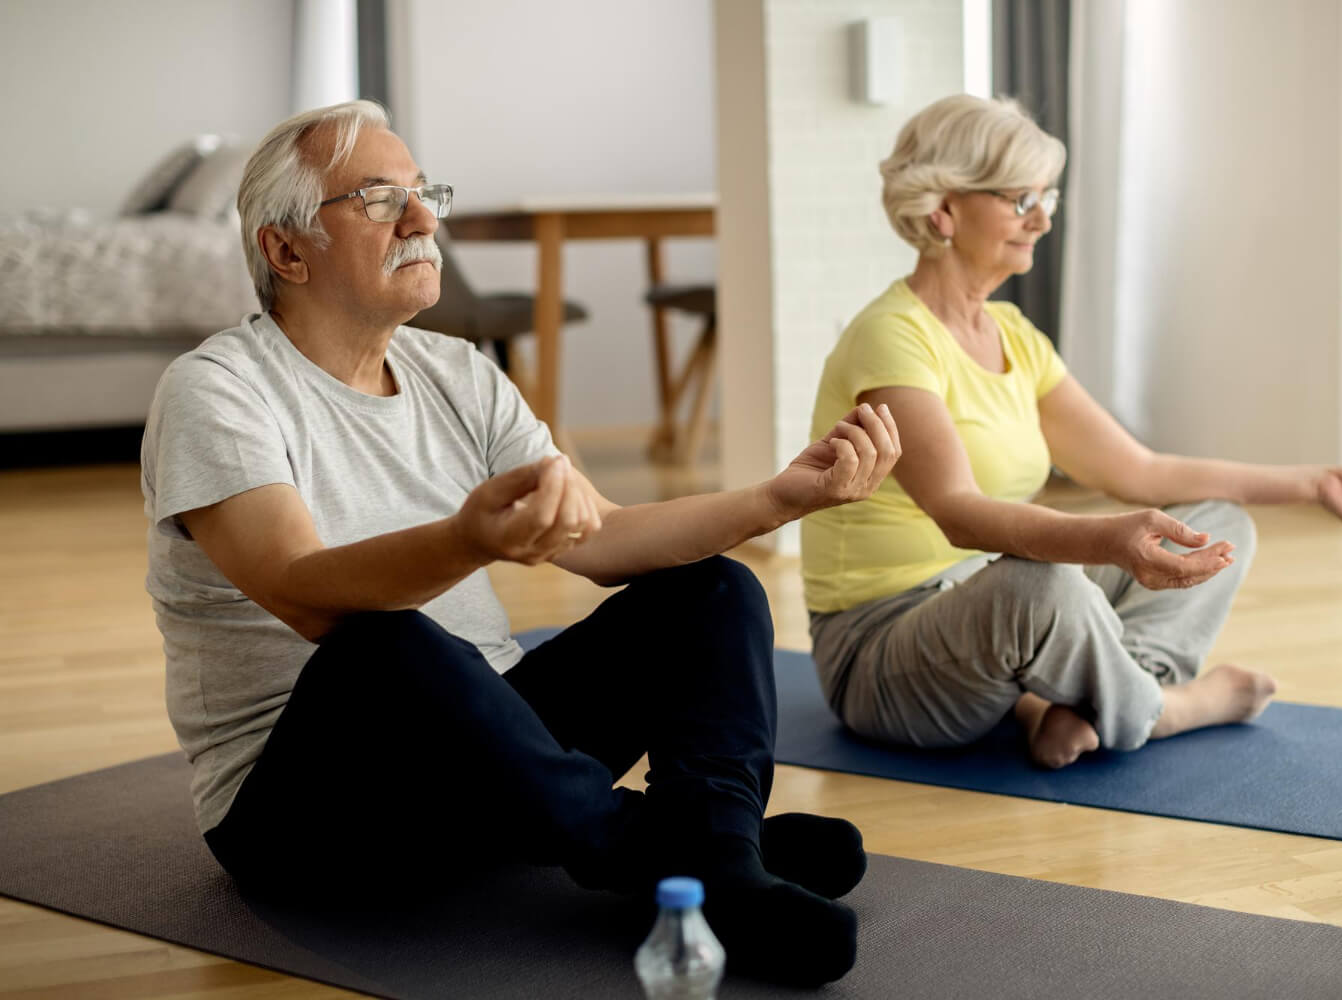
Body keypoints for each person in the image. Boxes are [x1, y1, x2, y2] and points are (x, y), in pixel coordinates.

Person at [140, 100, 900, 987]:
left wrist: (777, 499)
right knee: (381, 642)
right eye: (382, 200)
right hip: (308, 817)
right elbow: (306, 594)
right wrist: (468, 538)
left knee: (714, 591)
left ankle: (716, 848)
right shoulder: (217, 392)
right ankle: (672, 853)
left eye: (424, 194)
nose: (425, 220)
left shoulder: (458, 372)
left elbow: (604, 536)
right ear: (286, 249)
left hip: (491, 769)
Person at [801, 94, 1342, 770]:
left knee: (1216, 524)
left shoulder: (1012, 335)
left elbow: (1139, 473)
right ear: (945, 209)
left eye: (1048, 198)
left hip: (986, 621)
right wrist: (1106, 542)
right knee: (1039, 587)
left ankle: (1082, 704)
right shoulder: (890, 338)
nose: (1040, 219)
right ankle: (1164, 710)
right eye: (1019, 199)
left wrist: (1314, 481)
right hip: (881, 654)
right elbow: (959, 514)